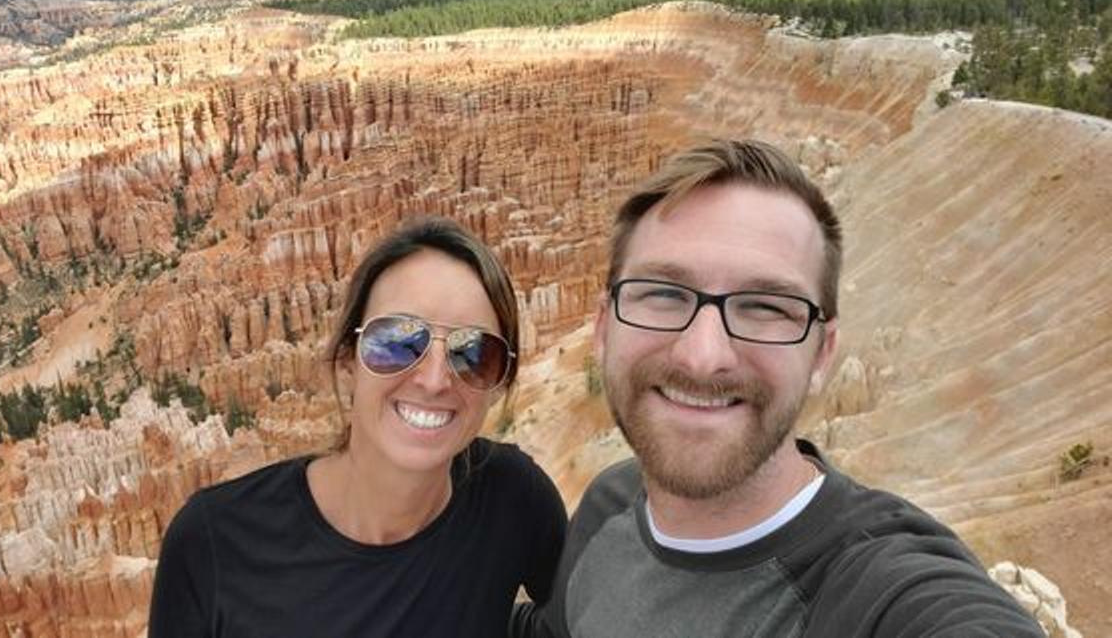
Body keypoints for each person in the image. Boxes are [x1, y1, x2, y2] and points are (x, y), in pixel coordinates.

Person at [510, 140, 1044, 637]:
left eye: (765, 307)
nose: (703, 355)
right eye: (664, 294)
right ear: (603, 328)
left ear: (823, 354)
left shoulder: (875, 590)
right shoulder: (610, 505)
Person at [150, 216, 567, 637]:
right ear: (349, 360)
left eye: (474, 354)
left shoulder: (513, 498)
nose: (435, 379)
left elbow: (580, 616)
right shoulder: (213, 545)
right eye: (399, 342)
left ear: (499, 383)